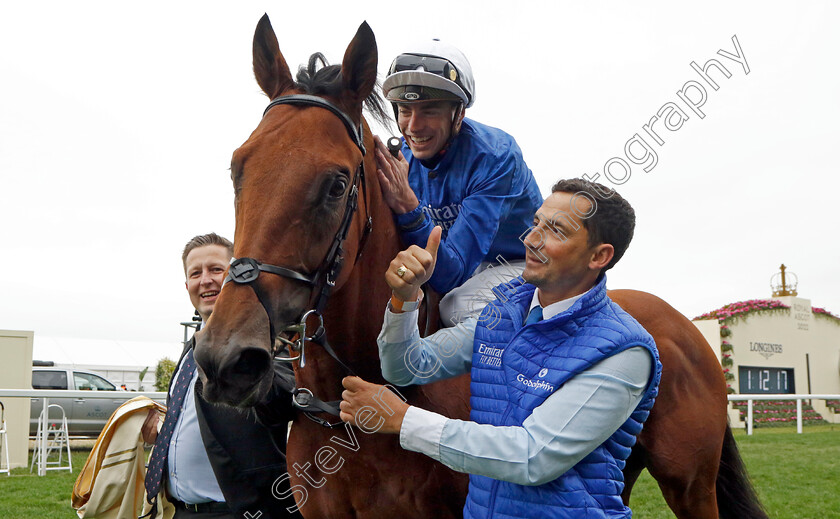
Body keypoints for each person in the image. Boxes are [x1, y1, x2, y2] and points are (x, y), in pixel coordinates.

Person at [339, 179, 662, 518]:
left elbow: (532, 457)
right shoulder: (499, 316)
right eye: (535, 223)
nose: (531, 239)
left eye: (556, 230)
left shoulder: (625, 351)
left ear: (599, 255)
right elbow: (407, 367)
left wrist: (404, 420)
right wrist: (404, 299)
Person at [375, 41, 543, 325]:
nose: (413, 126)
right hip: (464, 264)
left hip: (519, 263)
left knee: (455, 306)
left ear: (459, 114)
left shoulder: (495, 157)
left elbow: (450, 277)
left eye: (429, 110)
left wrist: (409, 207)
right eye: (405, 109)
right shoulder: (400, 158)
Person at [142, 233, 300, 519]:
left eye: (216, 269)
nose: (205, 280)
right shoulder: (191, 348)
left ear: (236, 275)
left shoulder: (268, 338)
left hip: (241, 512)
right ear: (187, 285)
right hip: (178, 511)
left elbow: (282, 403)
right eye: (195, 273)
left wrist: (249, 355)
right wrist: (165, 431)